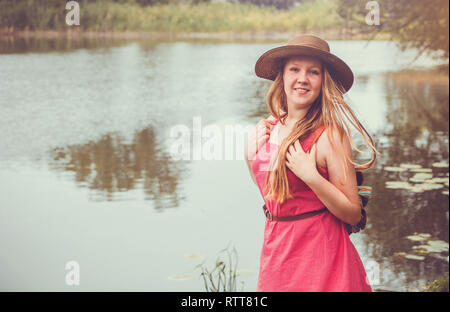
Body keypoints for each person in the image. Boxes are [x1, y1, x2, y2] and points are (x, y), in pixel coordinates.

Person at [245, 35, 379, 292]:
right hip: (278, 254)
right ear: (282, 76)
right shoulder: (271, 126)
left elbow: (352, 213)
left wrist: (313, 177)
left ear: (323, 81)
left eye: (313, 72)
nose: (302, 78)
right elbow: (274, 196)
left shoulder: (330, 135)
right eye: (294, 69)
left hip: (321, 257)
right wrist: (248, 156)